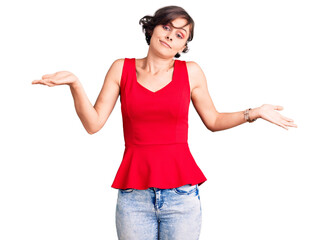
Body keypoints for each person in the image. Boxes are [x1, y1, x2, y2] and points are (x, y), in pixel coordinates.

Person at [31, 5, 297, 240]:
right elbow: (93, 124)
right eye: (166, 26)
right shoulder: (120, 68)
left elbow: (213, 120)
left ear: (184, 46)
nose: (170, 35)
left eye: (180, 34)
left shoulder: (191, 72)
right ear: (152, 28)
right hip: (134, 197)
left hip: (182, 197)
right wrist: (75, 84)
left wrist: (255, 112)